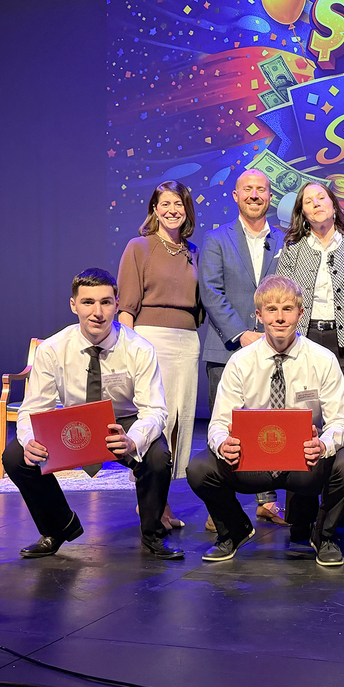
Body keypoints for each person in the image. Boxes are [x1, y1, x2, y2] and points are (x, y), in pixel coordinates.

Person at [2, 268, 182, 559]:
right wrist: (29, 440)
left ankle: (153, 535)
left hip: (124, 421)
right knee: (16, 456)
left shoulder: (139, 348)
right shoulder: (52, 349)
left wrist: (133, 441)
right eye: (88, 302)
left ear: (117, 304)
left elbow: (154, 409)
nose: (97, 312)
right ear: (73, 305)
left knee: (158, 456)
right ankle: (58, 526)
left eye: (106, 302)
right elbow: (33, 408)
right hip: (74, 419)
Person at [186, 276, 344, 566]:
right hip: (253, 463)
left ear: (300, 314)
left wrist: (323, 444)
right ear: (258, 316)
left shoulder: (323, 359)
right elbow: (217, 424)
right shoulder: (240, 362)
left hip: (305, 462)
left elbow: (341, 423)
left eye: (287, 309)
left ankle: (324, 535)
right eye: (271, 309)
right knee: (199, 468)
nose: (280, 318)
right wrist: (223, 444)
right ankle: (234, 530)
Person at [199, 169, 287, 527]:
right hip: (227, 349)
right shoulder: (216, 240)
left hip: (272, 350)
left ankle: (266, 501)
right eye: (247, 189)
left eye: (261, 190)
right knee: (226, 427)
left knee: (265, 424)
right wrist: (241, 334)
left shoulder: (282, 240)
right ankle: (220, 507)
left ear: (270, 196)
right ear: (235, 196)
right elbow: (211, 292)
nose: (254, 194)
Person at [117, 180, 200, 531]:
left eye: (178, 204)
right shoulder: (139, 247)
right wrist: (129, 350)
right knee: (157, 422)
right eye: (165, 204)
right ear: (154, 208)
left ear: (187, 210)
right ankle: (150, 504)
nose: (172, 210)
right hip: (151, 340)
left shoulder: (193, 251)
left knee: (180, 423)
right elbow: (126, 308)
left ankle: (161, 501)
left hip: (188, 342)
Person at [276, 182, 344, 412]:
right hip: (304, 339)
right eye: (308, 201)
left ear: (333, 206)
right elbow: (282, 302)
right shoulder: (292, 249)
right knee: (305, 412)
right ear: (303, 213)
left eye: (321, 198)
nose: (315, 203)